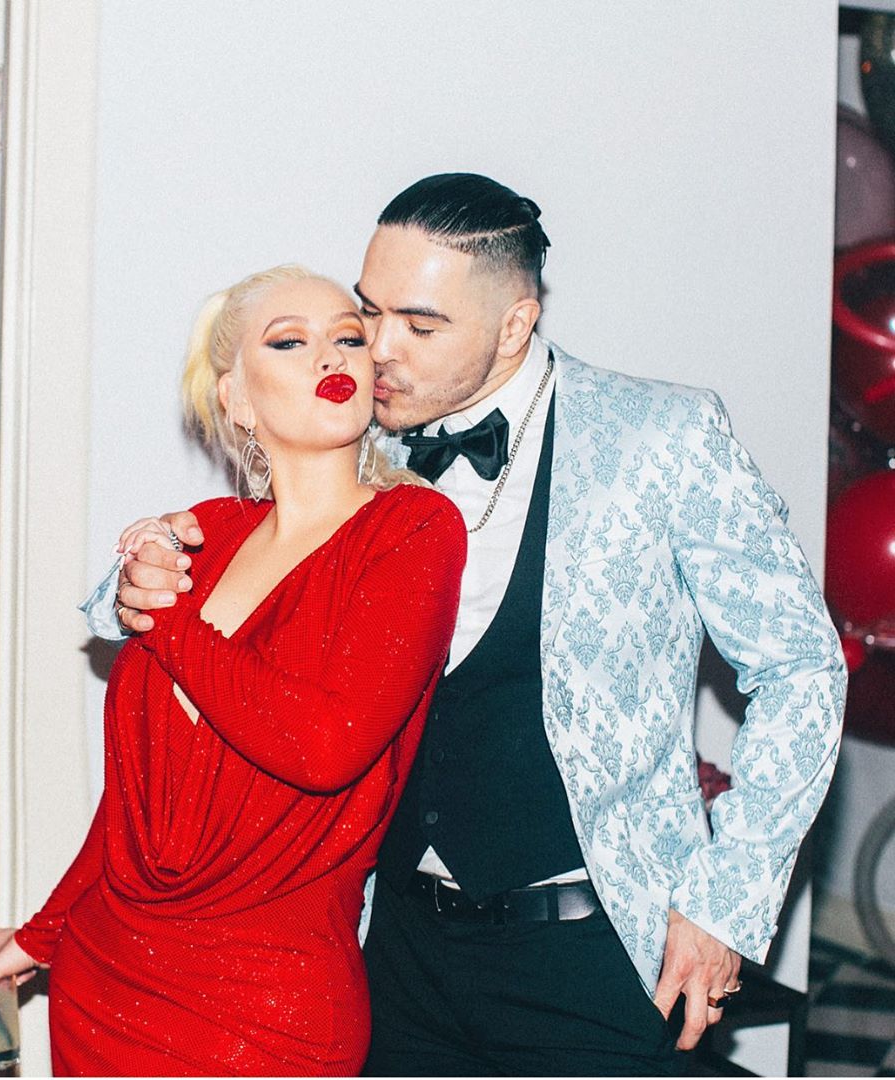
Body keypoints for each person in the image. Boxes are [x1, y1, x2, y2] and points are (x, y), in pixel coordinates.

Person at [93, 174, 847, 1076]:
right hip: (394, 958)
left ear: (515, 324)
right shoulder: (354, 433)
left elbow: (803, 667)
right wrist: (141, 569)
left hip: (593, 957)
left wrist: (726, 903)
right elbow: (220, 576)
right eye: (370, 312)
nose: (377, 350)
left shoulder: (660, 436)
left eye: (420, 325)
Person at [0, 266, 467, 1076]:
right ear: (235, 399)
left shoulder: (413, 530)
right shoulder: (205, 536)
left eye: (348, 336)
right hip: (106, 987)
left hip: (271, 1010)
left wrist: (169, 622)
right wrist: (44, 933)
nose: (330, 355)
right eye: (289, 342)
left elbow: (326, 746)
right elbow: (136, 805)